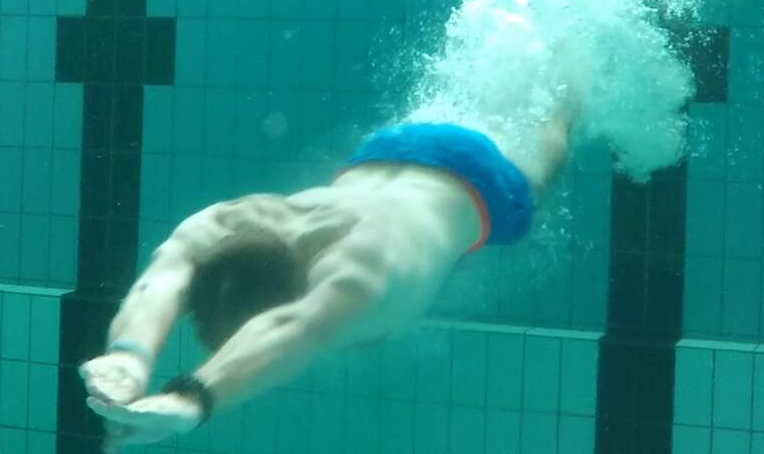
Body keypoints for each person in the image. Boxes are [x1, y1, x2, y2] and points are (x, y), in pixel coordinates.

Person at [79, 93, 579, 449]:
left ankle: (572, 99)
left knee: (537, 179)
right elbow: (166, 274)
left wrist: (194, 399)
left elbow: (293, 327)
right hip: (389, 149)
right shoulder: (241, 219)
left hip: (481, 187)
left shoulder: (356, 276)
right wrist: (128, 357)